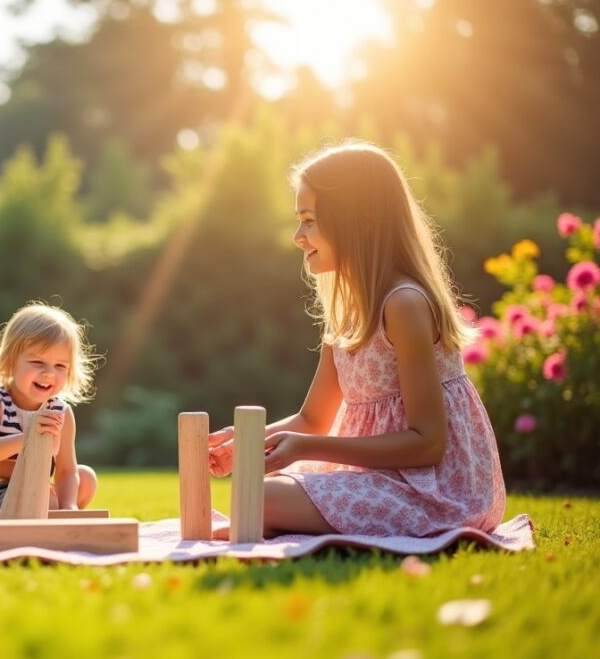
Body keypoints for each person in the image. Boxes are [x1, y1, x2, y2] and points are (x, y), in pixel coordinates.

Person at [208, 140, 506, 538]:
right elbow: (313, 419)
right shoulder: (347, 311)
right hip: (378, 478)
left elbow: (427, 443)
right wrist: (245, 441)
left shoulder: (403, 304)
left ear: (355, 221)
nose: (298, 236)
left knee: (262, 498)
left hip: (435, 492)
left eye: (309, 220)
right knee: (256, 492)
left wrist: (305, 448)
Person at [0, 302, 101, 512]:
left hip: (35, 488)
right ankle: (48, 513)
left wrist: (69, 507)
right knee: (45, 501)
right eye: (38, 362)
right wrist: (29, 437)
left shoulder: (61, 412)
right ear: (11, 361)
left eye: (60, 366)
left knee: (85, 478)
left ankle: (60, 517)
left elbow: (66, 470)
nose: (49, 373)